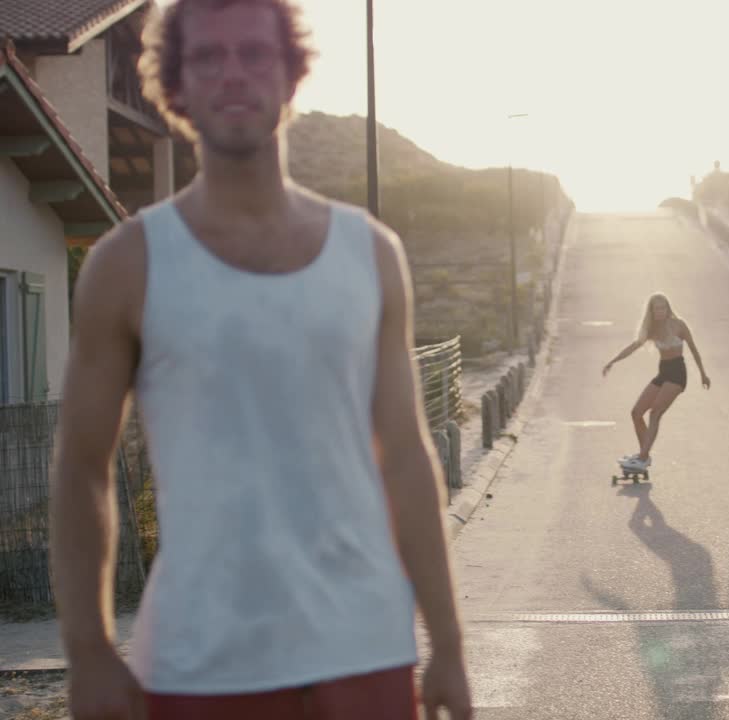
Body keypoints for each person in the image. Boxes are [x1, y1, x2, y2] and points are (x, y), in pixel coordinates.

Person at [47, 1, 473, 718]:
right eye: (208, 58)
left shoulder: (371, 254)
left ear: (292, 74)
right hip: (200, 659)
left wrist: (451, 645)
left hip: (365, 650)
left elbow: (405, 455)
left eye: (255, 53)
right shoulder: (129, 264)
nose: (234, 75)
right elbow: (81, 468)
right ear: (174, 86)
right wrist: (88, 653)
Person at [602, 293, 710, 472]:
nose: (660, 311)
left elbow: (694, 349)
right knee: (636, 413)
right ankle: (643, 455)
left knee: (655, 413)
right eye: (656, 308)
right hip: (663, 372)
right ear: (651, 311)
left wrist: (703, 375)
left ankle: (643, 457)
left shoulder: (679, 325)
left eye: (663, 307)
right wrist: (612, 361)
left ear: (668, 308)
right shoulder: (651, 329)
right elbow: (633, 346)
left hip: (677, 374)